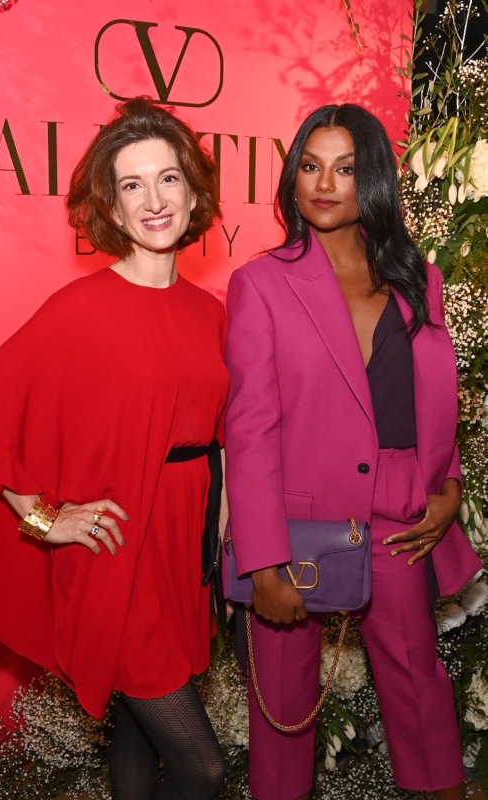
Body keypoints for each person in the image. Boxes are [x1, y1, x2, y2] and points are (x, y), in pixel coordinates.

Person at [0, 96, 228, 800]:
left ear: (195, 190)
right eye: (131, 185)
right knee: (202, 768)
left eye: (167, 178)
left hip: (183, 548)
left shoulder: (212, 313)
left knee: (139, 735)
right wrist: (44, 518)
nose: (154, 200)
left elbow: (227, 437)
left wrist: (224, 545)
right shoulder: (79, 310)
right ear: (110, 205)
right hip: (118, 551)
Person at [224, 104, 482, 800]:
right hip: (297, 526)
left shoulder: (413, 278)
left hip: (401, 514)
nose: (323, 183)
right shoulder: (262, 284)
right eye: (309, 165)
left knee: (417, 684)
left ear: (371, 178)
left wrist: (448, 485)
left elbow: (429, 400)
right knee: (280, 709)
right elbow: (248, 430)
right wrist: (264, 562)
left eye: (344, 167)